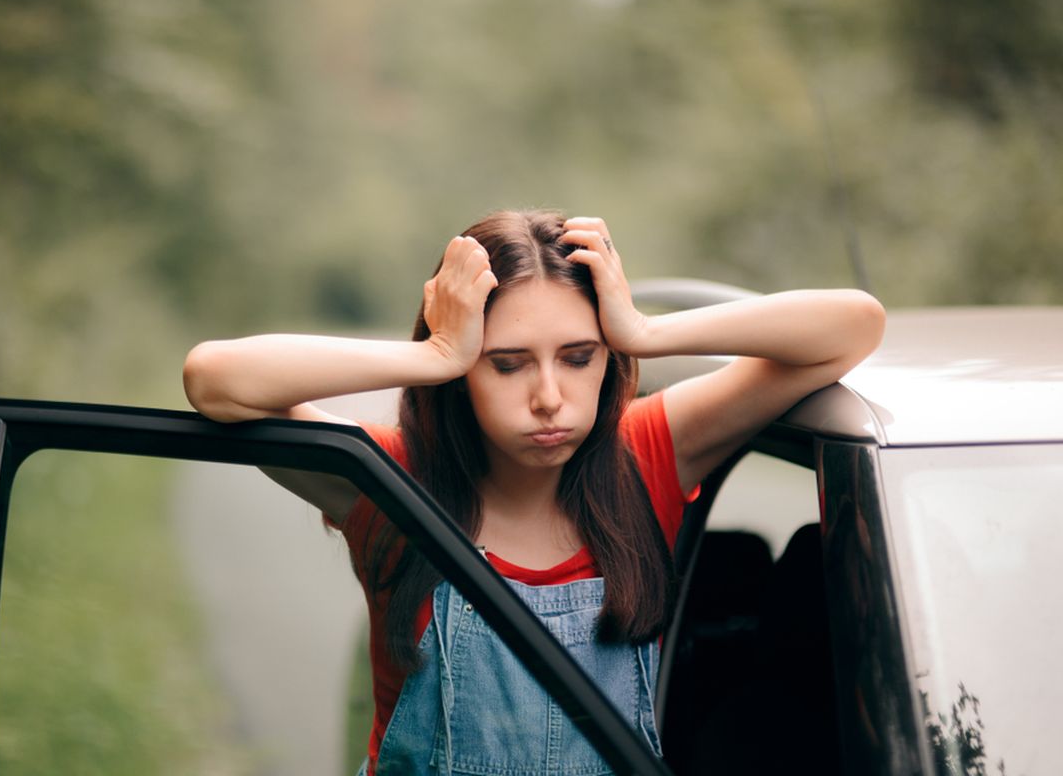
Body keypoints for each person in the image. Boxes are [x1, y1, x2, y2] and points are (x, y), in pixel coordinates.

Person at [182, 210, 886, 775]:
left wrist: (644, 330)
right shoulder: (393, 483)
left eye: (579, 357)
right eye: (507, 364)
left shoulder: (645, 456)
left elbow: (854, 324)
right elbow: (216, 378)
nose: (550, 398)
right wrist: (432, 354)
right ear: (462, 376)